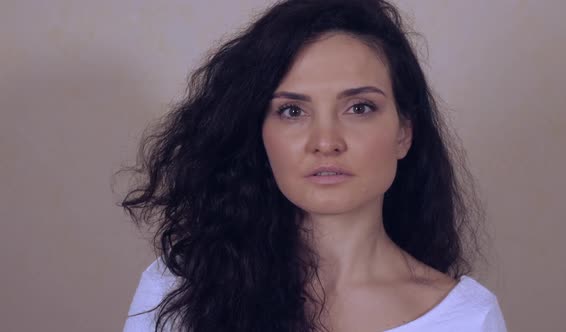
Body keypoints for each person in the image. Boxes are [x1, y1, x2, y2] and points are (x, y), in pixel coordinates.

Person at [119, 0, 508, 331]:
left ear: (404, 133)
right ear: (258, 134)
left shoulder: (466, 318)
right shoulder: (175, 290)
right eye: (292, 110)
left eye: (359, 108)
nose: (326, 142)